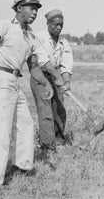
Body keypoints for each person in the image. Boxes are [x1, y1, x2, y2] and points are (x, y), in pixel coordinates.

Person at [0, 0, 65, 189]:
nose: (34, 12)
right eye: (31, 8)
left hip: (15, 80)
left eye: (37, 9)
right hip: (0, 78)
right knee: (0, 131)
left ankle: (22, 166)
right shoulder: (4, 25)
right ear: (18, 9)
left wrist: (46, 84)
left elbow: (33, 66)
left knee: (25, 125)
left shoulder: (30, 36)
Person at [30, 9, 73, 160]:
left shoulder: (63, 42)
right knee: (46, 112)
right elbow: (42, 60)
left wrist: (66, 81)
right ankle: (48, 146)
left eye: (61, 25)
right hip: (40, 76)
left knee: (60, 108)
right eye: (55, 24)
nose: (58, 28)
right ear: (48, 24)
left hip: (56, 76)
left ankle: (59, 138)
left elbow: (67, 64)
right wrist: (57, 77)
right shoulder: (39, 37)